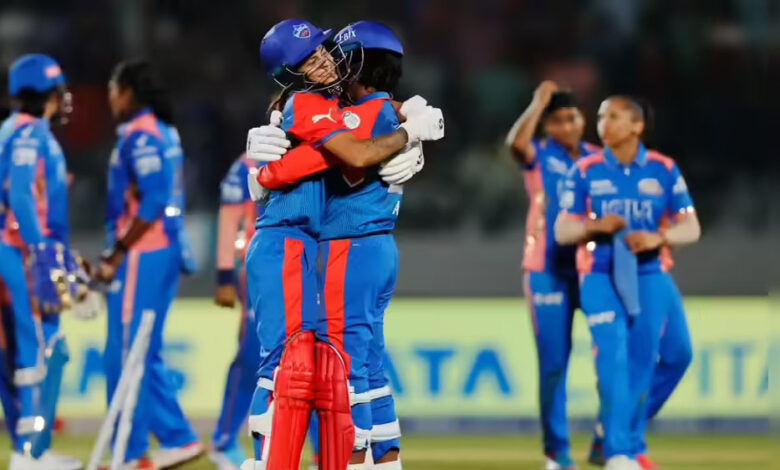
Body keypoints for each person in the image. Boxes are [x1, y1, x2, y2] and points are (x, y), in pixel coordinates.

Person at [241, 18, 443, 470]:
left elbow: (362, 121)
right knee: (294, 365)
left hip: (310, 244)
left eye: (322, 51)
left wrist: (407, 117)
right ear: (289, 74)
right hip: (286, 240)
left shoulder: (329, 106)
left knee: (324, 363)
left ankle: (348, 460)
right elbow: (354, 153)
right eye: (308, 59)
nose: (323, 61)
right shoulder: (307, 103)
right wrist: (408, 132)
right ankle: (281, 462)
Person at [554, 96, 700, 470]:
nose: (604, 123)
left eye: (615, 116)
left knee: (677, 354)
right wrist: (593, 227)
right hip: (600, 273)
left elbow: (691, 227)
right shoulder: (585, 170)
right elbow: (563, 229)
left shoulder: (663, 169)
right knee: (615, 355)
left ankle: (615, 428)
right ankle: (620, 452)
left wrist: (658, 237)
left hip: (650, 272)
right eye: (601, 116)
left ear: (637, 125)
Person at [97, 59, 201, 470]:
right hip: (163, 248)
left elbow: (154, 198)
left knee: (125, 350)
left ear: (127, 92)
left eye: (112, 88)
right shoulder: (164, 131)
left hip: (144, 251)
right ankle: (177, 438)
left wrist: (118, 250)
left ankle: (130, 452)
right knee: (144, 349)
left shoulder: (140, 135)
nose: (109, 97)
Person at [505, 81, 599, 470]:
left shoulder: (597, 158)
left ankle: (609, 439)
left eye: (572, 118)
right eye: (557, 120)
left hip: (591, 269)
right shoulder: (540, 154)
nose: (566, 126)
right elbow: (516, 144)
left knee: (611, 355)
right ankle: (557, 454)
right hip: (546, 270)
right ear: (546, 126)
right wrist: (538, 101)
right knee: (554, 365)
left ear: (583, 119)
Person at [0, 53, 83, 470]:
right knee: (39, 348)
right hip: (21, 251)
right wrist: (43, 253)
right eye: (59, 88)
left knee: (37, 347)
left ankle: (32, 447)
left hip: (28, 251)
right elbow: (19, 195)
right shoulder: (28, 132)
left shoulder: (19, 130)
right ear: (47, 91)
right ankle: (30, 453)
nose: (65, 96)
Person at [208, 153, 263, 470]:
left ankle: (321, 450)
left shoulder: (312, 148)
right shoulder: (247, 164)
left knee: (304, 357)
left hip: (297, 265)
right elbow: (229, 218)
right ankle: (224, 439)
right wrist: (224, 276)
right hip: (255, 268)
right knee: (252, 355)